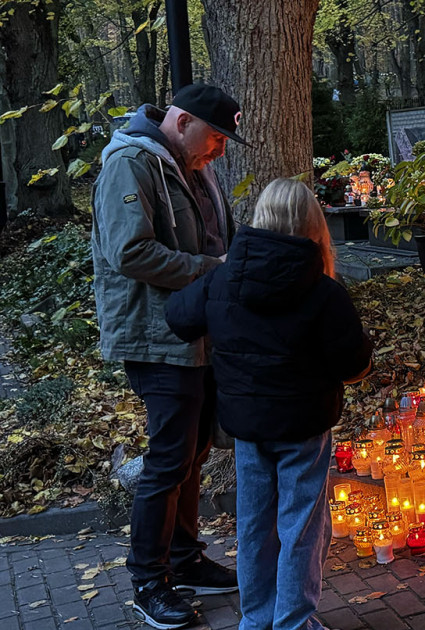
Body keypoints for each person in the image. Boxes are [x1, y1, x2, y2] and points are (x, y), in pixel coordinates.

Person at [166, 178, 373, 630]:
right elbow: (354, 361)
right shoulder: (322, 291)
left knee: (256, 524)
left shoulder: (224, 279)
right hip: (304, 426)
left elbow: (178, 317)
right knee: (302, 524)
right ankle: (293, 622)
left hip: (246, 425)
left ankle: (257, 619)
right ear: (313, 224)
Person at [91, 83, 246, 629]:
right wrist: (217, 272)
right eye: (217, 137)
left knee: (195, 450)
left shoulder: (189, 164)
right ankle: (148, 582)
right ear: (182, 122)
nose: (221, 150)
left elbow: (212, 238)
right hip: (157, 338)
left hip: (197, 331)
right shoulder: (130, 164)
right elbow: (130, 251)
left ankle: (183, 559)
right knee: (169, 458)